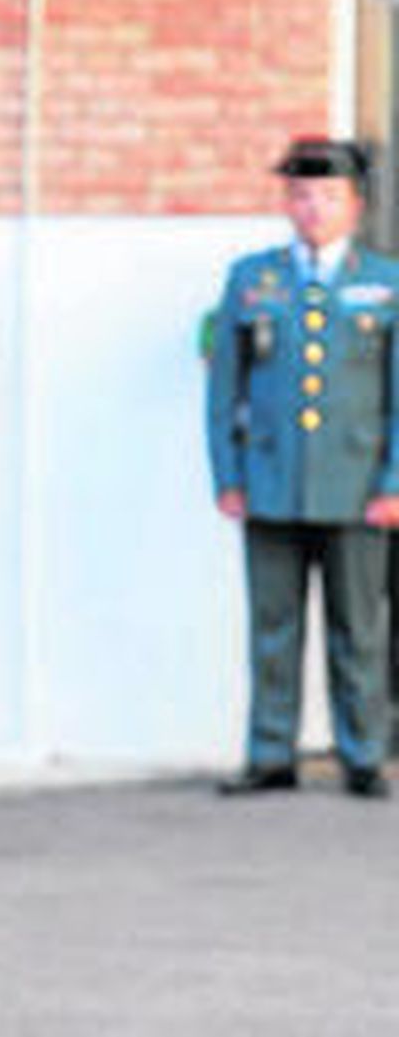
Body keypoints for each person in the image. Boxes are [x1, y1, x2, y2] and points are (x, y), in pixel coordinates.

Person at [207, 136, 399, 799]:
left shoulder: (387, 282)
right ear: (287, 203)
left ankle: (363, 754)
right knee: (273, 627)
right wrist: (228, 476)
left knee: (358, 629)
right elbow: (224, 389)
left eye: (328, 195)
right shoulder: (251, 279)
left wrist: (394, 481)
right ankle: (270, 754)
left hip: (358, 487)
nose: (314, 207)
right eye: (301, 195)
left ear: (355, 204)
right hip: (270, 480)